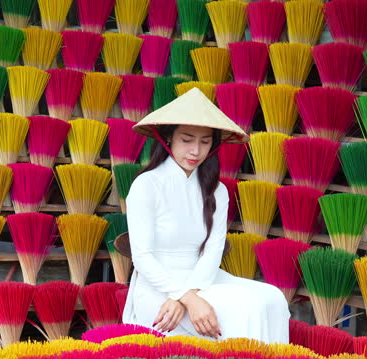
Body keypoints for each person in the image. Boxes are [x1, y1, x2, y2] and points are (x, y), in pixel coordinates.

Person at [121, 88, 290, 344]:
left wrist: (189, 294)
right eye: (187, 139)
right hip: (157, 289)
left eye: (205, 142)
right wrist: (185, 298)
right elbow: (142, 257)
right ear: (168, 139)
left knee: (273, 297)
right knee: (246, 307)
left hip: (203, 281)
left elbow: (212, 252)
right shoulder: (147, 185)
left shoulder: (217, 191)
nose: (195, 151)